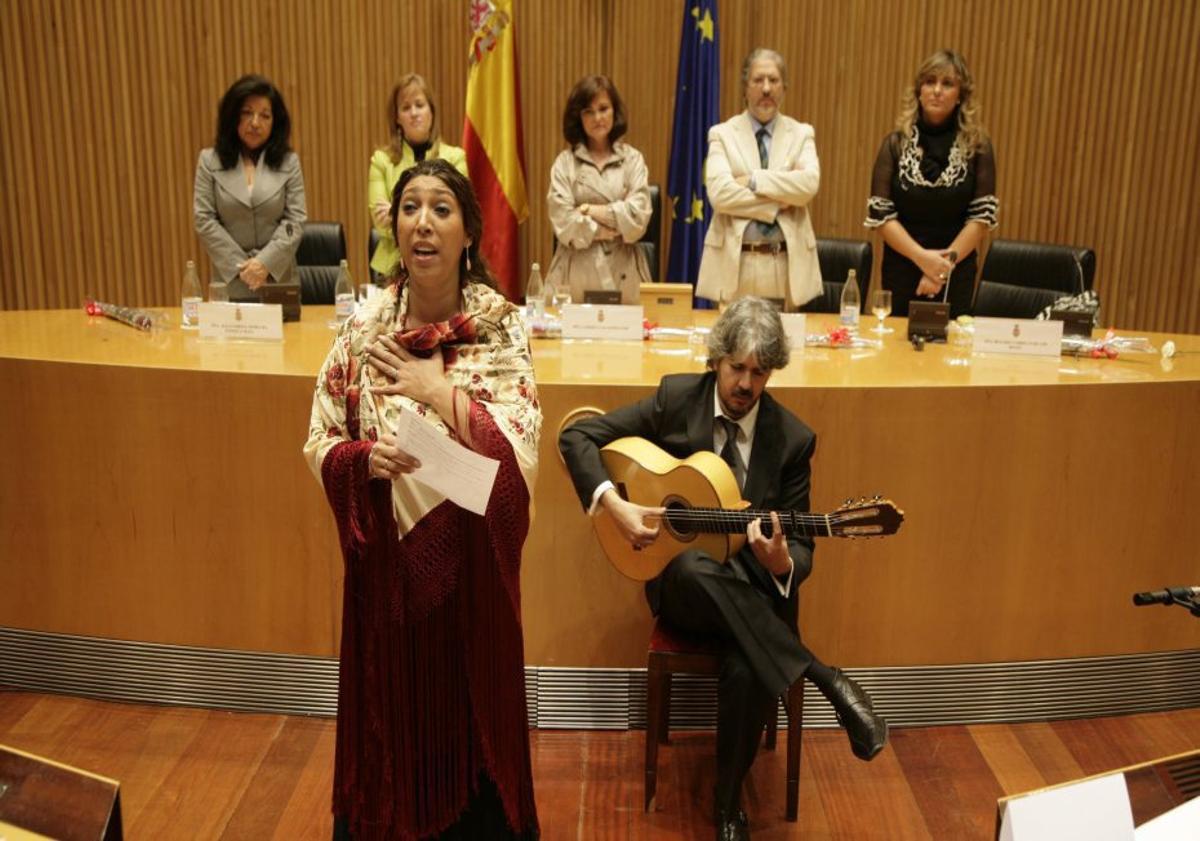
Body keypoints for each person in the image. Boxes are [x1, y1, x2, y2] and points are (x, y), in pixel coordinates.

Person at [559, 297, 887, 841]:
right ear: (716, 360)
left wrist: (781, 559)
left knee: (749, 660)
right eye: (737, 367)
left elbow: (802, 550)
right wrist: (611, 504)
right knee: (690, 564)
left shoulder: (792, 439)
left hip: (756, 587)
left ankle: (728, 805)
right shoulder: (675, 399)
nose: (745, 383)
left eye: (759, 373)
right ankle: (821, 674)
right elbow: (578, 437)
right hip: (685, 588)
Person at [304, 159, 541, 840]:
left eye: (441, 208)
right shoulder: (362, 327)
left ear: (468, 230)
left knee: (469, 750)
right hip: (386, 585)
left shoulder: (500, 327)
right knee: (390, 735)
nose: (423, 223)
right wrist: (359, 462)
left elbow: (515, 464)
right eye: (410, 207)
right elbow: (321, 431)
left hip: (471, 583)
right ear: (395, 227)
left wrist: (436, 390)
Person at [864, 49, 999, 318]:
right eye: (929, 82)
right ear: (919, 91)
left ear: (961, 95)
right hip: (902, 271)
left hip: (955, 272)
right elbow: (881, 216)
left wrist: (939, 270)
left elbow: (981, 219)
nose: (937, 90)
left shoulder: (978, 146)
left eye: (947, 84)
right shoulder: (894, 145)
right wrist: (922, 258)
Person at [696, 49, 822, 310]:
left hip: (785, 264)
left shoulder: (801, 134)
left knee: (783, 348)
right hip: (736, 264)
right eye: (758, 80)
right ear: (745, 87)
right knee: (734, 349)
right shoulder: (722, 134)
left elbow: (808, 185)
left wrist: (752, 179)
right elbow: (720, 195)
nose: (766, 89)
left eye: (774, 81)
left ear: (784, 88)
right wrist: (777, 203)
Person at [193, 74, 306, 300]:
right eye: (247, 113)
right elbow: (204, 219)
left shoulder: (289, 162)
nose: (255, 122)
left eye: (265, 115)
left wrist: (264, 263)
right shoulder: (209, 160)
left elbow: (295, 220)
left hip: (277, 278)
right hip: (230, 279)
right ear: (232, 115)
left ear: (275, 122)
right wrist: (245, 269)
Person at [545, 75, 653, 305]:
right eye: (588, 111)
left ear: (615, 112)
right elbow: (562, 219)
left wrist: (588, 210)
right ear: (578, 117)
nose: (597, 118)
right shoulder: (565, 163)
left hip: (626, 274)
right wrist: (614, 223)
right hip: (573, 275)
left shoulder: (632, 160)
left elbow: (639, 216)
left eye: (603, 109)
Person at [369, 74, 469, 278]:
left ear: (431, 111)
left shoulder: (455, 158)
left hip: (443, 265)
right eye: (406, 108)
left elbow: (460, 218)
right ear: (397, 117)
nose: (414, 113)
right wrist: (438, 214)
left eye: (420, 105)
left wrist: (397, 213)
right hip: (390, 269)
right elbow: (380, 222)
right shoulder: (381, 161)